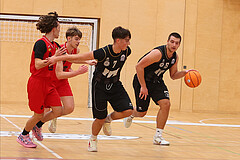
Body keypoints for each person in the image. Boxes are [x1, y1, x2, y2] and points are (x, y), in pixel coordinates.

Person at [48, 26, 133, 152]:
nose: (129, 43)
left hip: (115, 85)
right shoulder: (103, 52)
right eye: (126, 40)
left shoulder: (127, 51)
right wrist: (57, 58)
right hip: (100, 86)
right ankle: (93, 139)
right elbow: (78, 57)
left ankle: (108, 120)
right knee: (99, 118)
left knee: (128, 111)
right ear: (118, 40)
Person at [123, 32, 191, 146]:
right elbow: (138, 66)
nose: (174, 45)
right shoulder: (158, 53)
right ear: (167, 42)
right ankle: (131, 114)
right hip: (142, 81)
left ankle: (158, 136)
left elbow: (173, 75)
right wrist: (143, 87)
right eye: (172, 41)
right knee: (142, 112)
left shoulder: (175, 57)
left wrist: (185, 73)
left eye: (177, 43)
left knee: (166, 104)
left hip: (157, 82)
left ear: (179, 45)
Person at [16, 11, 67, 148]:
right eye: (59, 29)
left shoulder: (55, 46)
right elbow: (38, 64)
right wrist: (52, 59)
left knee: (58, 110)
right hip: (37, 82)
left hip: (49, 84)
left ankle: (37, 126)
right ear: (53, 28)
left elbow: (68, 57)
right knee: (38, 114)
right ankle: (23, 135)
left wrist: (88, 61)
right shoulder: (40, 44)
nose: (59, 32)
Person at [47, 27, 96, 133]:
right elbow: (59, 75)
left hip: (63, 81)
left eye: (79, 39)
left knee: (69, 108)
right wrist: (77, 72)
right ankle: (35, 130)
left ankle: (54, 116)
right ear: (69, 38)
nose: (79, 42)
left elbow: (73, 59)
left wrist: (87, 62)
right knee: (43, 112)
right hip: (52, 81)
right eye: (76, 39)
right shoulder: (60, 50)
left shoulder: (75, 50)